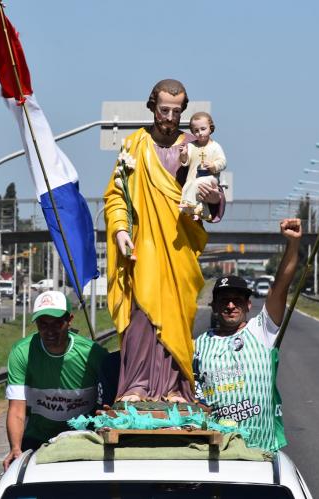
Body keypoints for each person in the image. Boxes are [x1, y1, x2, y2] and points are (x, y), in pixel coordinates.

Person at [104, 79, 225, 403]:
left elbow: (212, 200)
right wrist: (120, 231)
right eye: (163, 110)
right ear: (152, 107)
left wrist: (213, 197)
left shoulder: (197, 147)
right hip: (143, 249)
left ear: (183, 111)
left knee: (178, 315)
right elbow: (117, 195)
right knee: (142, 316)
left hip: (178, 249)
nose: (169, 117)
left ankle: (176, 388)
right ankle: (136, 386)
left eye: (175, 111)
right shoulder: (134, 146)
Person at [193, 218, 302, 452]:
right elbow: (193, 399)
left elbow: (281, 286)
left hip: (261, 451)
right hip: (217, 452)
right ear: (213, 306)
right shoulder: (197, 346)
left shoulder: (261, 331)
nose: (231, 306)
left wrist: (292, 245)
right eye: (224, 300)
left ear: (248, 305)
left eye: (237, 300)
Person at [3, 290, 107, 470]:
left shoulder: (93, 354)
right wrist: (15, 448)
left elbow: (108, 404)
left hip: (85, 438)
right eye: (43, 324)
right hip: (38, 438)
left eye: (57, 324)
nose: (49, 331)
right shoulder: (22, 352)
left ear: (70, 320)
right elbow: (17, 410)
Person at [179, 111, 228, 221]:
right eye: (196, 131)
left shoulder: (215, 147)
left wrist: (213, 165)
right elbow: (185, 162)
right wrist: (183, 155)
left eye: (203, 129)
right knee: (189, 187)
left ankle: (188, 204)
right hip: (193, 178)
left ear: (210, 128)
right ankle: (201, 213)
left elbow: (223, 162)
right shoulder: (191, 146)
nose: (200, 133)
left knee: (196, 185)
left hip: (210, 179)